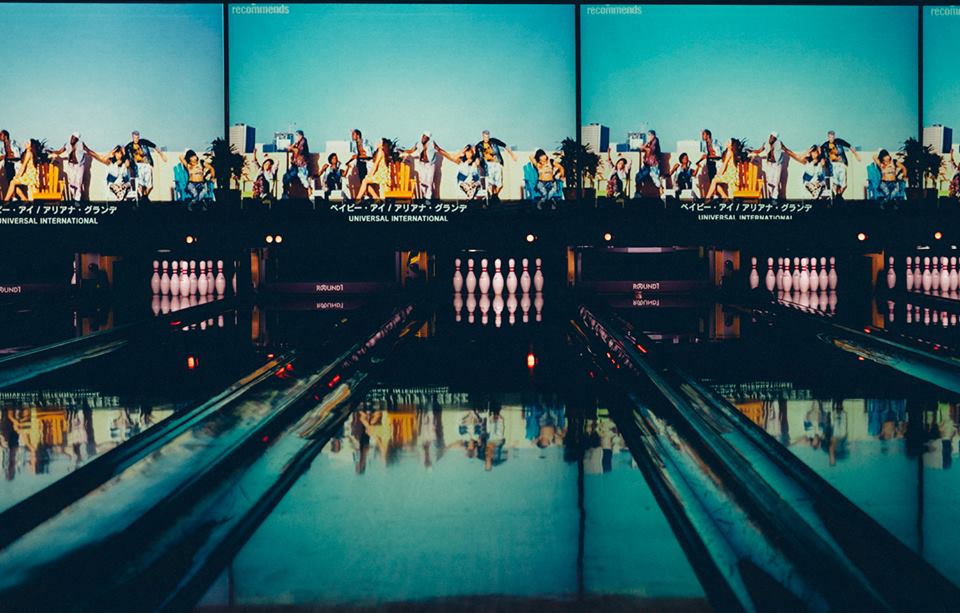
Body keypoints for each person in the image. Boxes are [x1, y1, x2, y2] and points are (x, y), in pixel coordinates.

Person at [475, 130, 516, 204]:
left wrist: (512, 155)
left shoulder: (493, 141)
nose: (486, 138)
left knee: (499, 184)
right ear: (482, 136)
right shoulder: (479, 145)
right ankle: (493, 197)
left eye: (487, 136)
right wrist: (478, 165)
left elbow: (504, 145)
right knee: (491, 182)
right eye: (485, 137)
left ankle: (495, 195)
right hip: (488, 164)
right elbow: (477, 157)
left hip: (497, 163)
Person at [124, 131, 167, 200]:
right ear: (132, 137)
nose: (136, 139)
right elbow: (126, 156)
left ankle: (145, 196)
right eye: (135, 137)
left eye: (137, 137)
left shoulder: (143, 142)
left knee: (150, 186)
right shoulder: (129, 146)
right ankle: (142, 198)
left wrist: (162, 155)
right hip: (137, 166)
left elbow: (154, 146)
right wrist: (127, 164)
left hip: (147, 164)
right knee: (141, 184)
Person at [47, 132, 88, 202]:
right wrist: (51, 151)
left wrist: (99, 157)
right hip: (71, 165)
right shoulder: (67, 144)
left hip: (79, 165)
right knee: (71, 183)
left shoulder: (81, 144)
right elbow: (60, 152)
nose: (72, 139)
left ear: (77, 140)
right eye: (72, 137)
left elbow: (88, 151)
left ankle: (77, 200)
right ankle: (74, 197)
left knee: (78, 182)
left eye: (74, 138)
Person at [821, 130, 861, 199]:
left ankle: (838, 196)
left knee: (844, 184)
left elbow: (849, 146)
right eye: (830, 137)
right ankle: (838, 197)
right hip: (833, 165)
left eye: (833, 137)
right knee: (835, 183)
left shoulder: (839, 141)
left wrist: (856, 155)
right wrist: (823, 161)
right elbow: (821, 153)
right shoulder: (825, 145)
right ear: (828, 137)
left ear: (834, 136)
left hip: (841, 163)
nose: (831, 139)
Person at [403, 131, 440, 202]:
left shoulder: (432, 144)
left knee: (429, 182)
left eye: (425, 137)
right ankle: (425, 196)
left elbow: (439, 149)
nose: (423, 138)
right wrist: (403, 151)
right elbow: (411, 151)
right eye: (423, 136)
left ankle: (428, 199)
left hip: (430, 164)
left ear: (428, 139)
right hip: (422, 164)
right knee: (422, 182)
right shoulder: (418, 144)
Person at [750, 132, 787, 201]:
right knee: (769, 181)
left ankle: (775, 198)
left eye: (773, 138)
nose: (771, 139)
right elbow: (759, 151)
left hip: (777, 164)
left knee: (776, 181)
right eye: (771, 137)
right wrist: (751, 151)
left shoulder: (779, 143)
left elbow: (786, 150)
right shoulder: (766, 144)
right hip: (769, 164)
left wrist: (797, 156)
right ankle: (772, 195)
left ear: (775, 139)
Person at [282, 130, 311, 198]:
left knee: (303, 178)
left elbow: (297, 150)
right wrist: (292, 146)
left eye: (297, 136)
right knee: (286, 177)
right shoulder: (298, 142)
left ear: (300, 136)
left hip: (301, 165)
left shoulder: (303, 142)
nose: (296, 137)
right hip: (296, 164)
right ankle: (285, 193)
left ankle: (309, 189)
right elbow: (290, 149)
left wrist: (291, 147)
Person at [347, 128, 373, 200]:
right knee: (362, 180)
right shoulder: (355, 146)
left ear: (358, 135)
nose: (352, 136)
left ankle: (367, 195)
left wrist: (360, 156)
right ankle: (366, 195)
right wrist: (348, 162)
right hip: (360, 163)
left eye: (353, 134)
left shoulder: (366, 142)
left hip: (367, 163)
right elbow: (355, 156)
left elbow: (370, 155)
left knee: (366, 180)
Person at [635, 129, 662, 195]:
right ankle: (638, 192)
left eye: (649, 135)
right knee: (638, 176)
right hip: (647, 164)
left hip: (653, 165)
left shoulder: (655, 142)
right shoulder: (649, 142)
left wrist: (644, 147)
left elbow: (650, 150)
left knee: (655, 180)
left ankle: (660, 187)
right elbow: (642, 149)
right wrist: (645, 144)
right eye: (648, 135)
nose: (648, 137)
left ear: (653, 135)